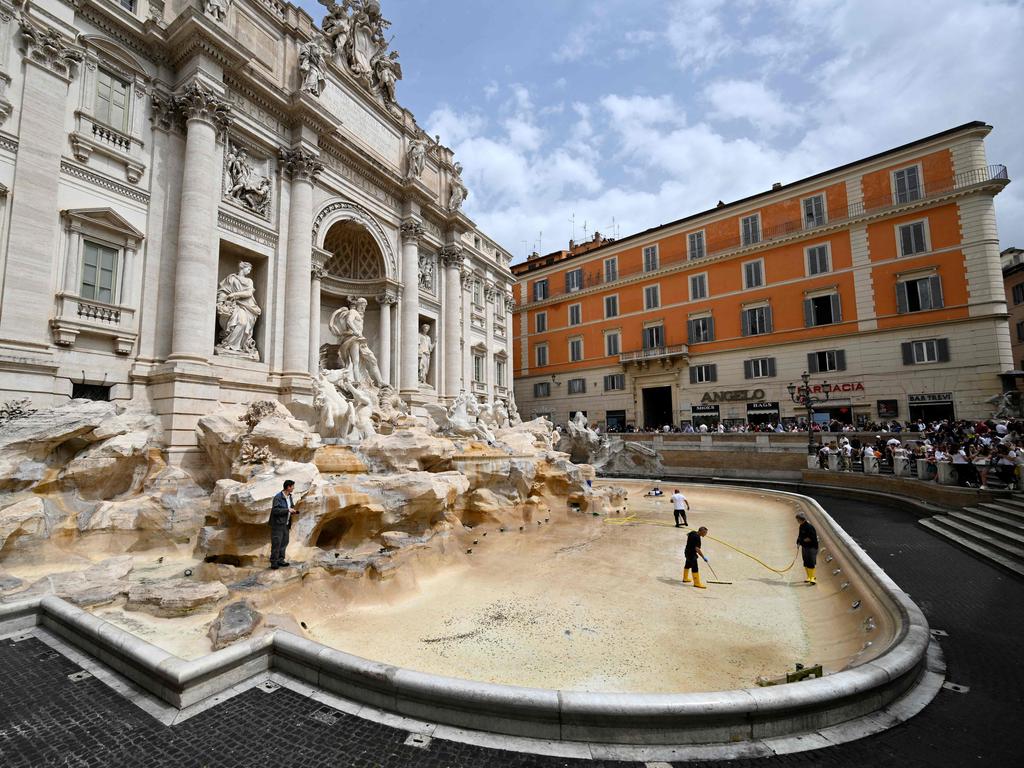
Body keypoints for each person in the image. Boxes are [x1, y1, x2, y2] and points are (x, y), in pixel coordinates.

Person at [269, 480, 299, 569]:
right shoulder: (278, 497)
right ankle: (274, 562)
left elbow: (290, 506)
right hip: (278, 524)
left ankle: (280, 560)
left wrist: (293, 511)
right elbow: (275, 510)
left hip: (286, 524)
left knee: (284, 542)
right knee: (276, 543)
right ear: (288, 487)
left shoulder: (289, 497)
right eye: (292, 486)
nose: (293, 488)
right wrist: (287, 510)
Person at [795, 511, 818, 585]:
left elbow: (810, 538)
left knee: (811, 562)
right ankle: (808, 577)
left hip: (811, 547)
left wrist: (802, 541)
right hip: (804, 547)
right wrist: (798, 542)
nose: (797, 521)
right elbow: (800, 536)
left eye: (798, 520)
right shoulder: (801, 526)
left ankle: (813, 578)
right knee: (805, 562)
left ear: (802, 519)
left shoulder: (810, 527)